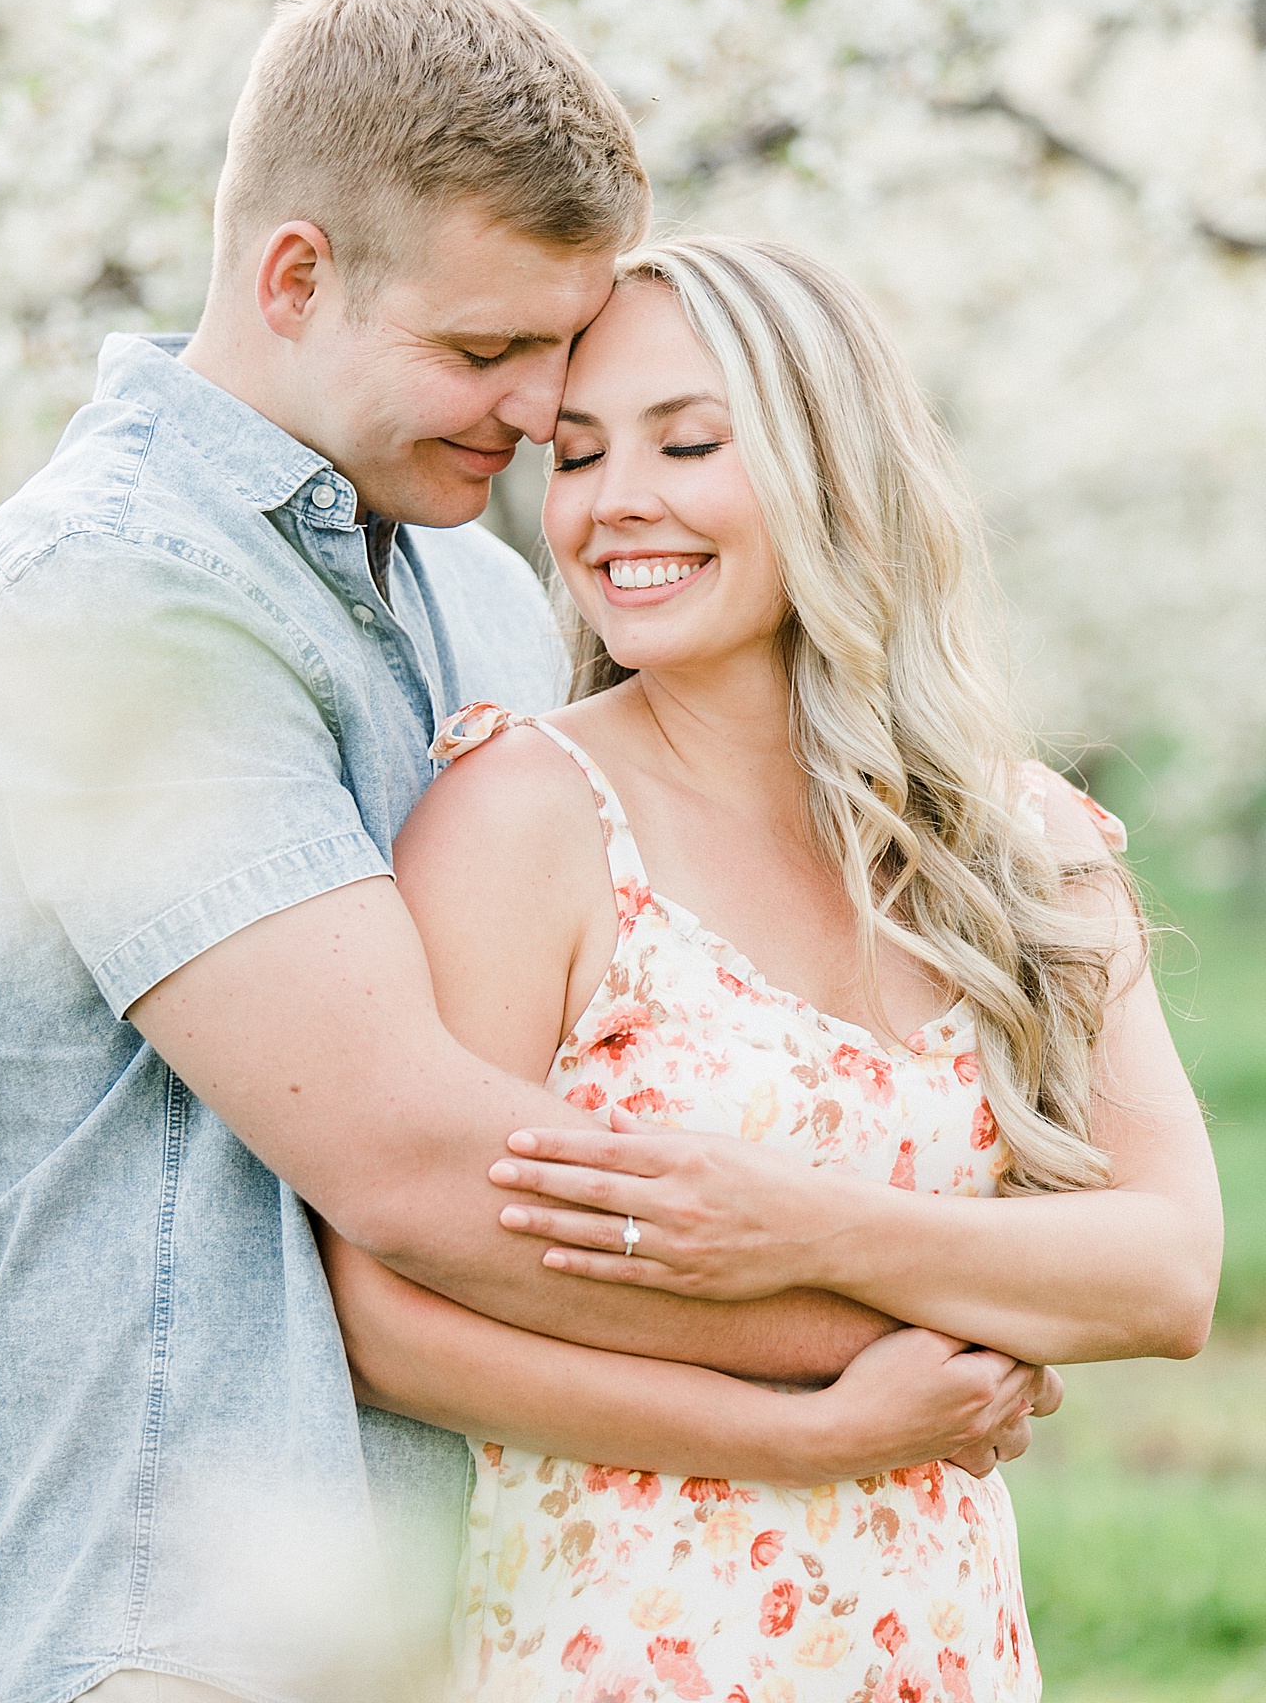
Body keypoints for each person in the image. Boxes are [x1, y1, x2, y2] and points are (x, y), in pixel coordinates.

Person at [0, 0, 1034, 1703]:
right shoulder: (116, 599)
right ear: (296, 276)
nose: (547, 413)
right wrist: (919, 1335)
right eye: (487, 348)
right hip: (167, 1623)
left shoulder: (472, 584)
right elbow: (419, 1165)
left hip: (461, 1620)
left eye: (558, 345)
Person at [321, 238, 1224, 1702]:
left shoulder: (1021, 842)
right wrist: (814, 1429)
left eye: (688, 442)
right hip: (615, 1642)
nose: (616, 506)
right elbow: (385, 1311)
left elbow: (1168, 1274)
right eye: (580, 453)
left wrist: (797, 1228)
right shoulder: (525, 818)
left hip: (939, 1642)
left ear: (831, 468)